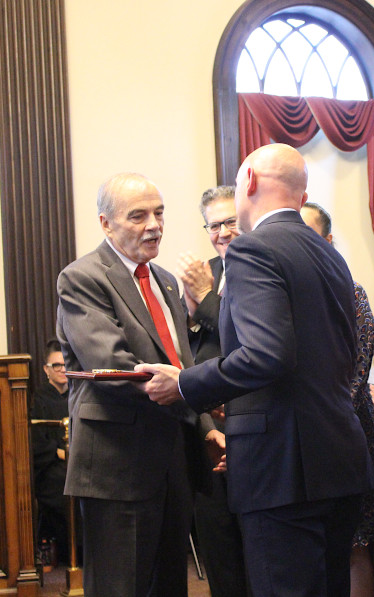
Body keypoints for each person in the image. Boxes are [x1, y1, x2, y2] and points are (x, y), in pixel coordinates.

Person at [138, 143, 374, 597]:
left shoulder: (253, 250)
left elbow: (267, 354)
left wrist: (185, 383)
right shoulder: (329, 253)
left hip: (282, 468)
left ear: (248, 181)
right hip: (337, 458)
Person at [56, 172, 203, 596]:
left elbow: (182, 361)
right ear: (106, 223)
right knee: (120, 587)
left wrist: (208, 427)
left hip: (173, 459)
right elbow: (111, 365)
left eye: (159, 213)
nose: (154, 225)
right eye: (138, 216)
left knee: (169, 584)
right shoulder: (82, 277)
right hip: (117, 465)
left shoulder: (166, 281)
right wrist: (191, 390)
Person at [300, 200, 374, 597]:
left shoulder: (351, 292)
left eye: (308, 235)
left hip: (346, 431)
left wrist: (313, 424)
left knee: (354, 543)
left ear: (328, 240)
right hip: (303, 436)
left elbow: (356, 373)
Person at [177, 185, 250, 597]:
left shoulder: (261, 267)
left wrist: (205, 301)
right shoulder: (203, 273)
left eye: (230, 221)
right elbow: (184, 352)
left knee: (259, 557)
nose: (223, 232)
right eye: (214, 225)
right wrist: (191, 315)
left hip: (254, 430)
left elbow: (249, 345)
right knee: (219, 554)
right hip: (208, 431)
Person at [29, 339, 72, 564]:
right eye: (57, 365)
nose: (63, 370)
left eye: (66, 364)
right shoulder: (38, 399)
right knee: (64, 487)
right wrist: (58, 452)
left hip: (76, 463)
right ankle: (69, 554)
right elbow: (35, 443)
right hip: (50, 468)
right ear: (47, 370)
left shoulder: (77, 395)